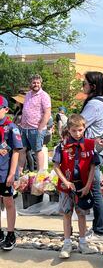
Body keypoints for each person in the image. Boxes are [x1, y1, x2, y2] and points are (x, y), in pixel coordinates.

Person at [53, 114, 98, 259]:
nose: (77, 134)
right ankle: (67, 243)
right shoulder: (62, 145)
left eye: (80, 130)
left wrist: (88, 186)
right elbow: (55, 166)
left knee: (82, 214)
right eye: (74, 131)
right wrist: (65, 182)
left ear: (84, 128)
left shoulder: (90, 145)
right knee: (66, 214)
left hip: (83, 186)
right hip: (67, 187)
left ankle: (83, 242)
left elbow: (92, 167)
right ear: (69, 130)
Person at [80, 71, 103, 241]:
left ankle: (100, 230)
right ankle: (98, 227)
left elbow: (79, 124)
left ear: (92, 86)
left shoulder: (94, 104)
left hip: (93, 150)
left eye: (84, 84)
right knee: (95, 188)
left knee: (95, 189)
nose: (82, 86)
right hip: (101, 149)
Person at [0, 96, 23, 250]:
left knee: (8, 202)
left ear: (6, 110)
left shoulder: (11, 127)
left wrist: (12, 174)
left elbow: (16, 151)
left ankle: (10, 233)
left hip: (4, 172)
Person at [18, 74, 51, 173]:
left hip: (36, 128)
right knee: (22, 150)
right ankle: (19, 173)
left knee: (37, 150)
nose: (36, 84)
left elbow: (48, 112)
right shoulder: (28, 94)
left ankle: (40, 174)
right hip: (24, 128)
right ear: (30, 83)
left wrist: (40, 127)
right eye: (34, 82)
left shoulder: (44, 95)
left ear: (41, 84)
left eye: (38, 82)